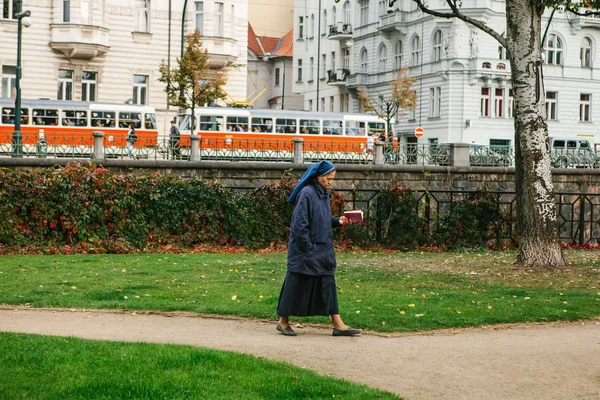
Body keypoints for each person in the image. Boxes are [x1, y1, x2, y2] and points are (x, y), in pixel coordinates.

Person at [276, 161, 362, 337]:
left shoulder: (322, 193)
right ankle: (283, 322)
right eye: (328, 179)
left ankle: (338, 324)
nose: (330, 182)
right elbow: (300, 225)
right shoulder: (307, 194)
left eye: (332, 179)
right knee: (296, 283)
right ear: (318, 177)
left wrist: (338, 221)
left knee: (327, 283)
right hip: (306, 250)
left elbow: (321, 219)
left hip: (320, 248)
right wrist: (308, 248)